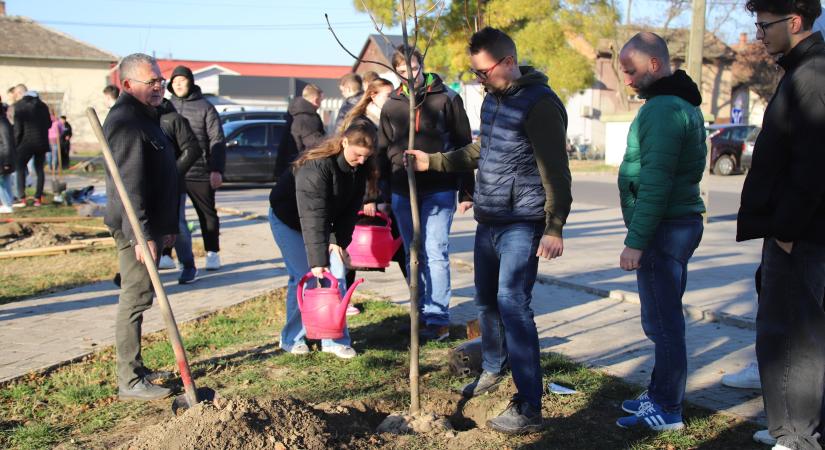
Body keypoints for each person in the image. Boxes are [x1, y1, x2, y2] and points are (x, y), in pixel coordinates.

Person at [406, 27, 571, 434]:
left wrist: (554, 226)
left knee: (514, 305)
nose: (480, 80)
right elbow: (484, 150)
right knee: (486, 303)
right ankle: (493, 369)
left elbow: (556, 170)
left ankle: (530, 404)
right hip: (490, 218)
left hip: (524, 221)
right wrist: (436, 162)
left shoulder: (541, 105)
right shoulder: (494, 101)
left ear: (509, 62)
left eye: (484, 72)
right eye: (476, 73)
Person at [738, 1, 825, 448]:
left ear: (794, 22)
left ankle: (795, 437)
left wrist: (786, 230)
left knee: (790, 339)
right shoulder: (802, 70)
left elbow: (811, 167)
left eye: (763, 24)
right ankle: (794, 429)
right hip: (795, 232)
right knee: (790, 334)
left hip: (800, 236)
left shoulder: (812, 76)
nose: (758, 34)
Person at [612, 32, 706, 431]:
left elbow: (656, 181)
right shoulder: (671, 103)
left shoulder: (665, 110)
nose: (628, 80)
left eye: (631, 71)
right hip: (670, 224)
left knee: (663, 322)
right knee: (660, 319)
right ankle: (659, 392)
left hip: (664, 228)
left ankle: (668, 408)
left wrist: (636, 241)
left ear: (654, 65)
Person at [378, 45, 474, 342]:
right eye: (403, 71)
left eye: (414, 69)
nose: (409, 75)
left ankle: (437, 317)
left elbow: (465, 146)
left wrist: (467, 191)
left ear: (423, 66)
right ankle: (418, 312)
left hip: (439, 187)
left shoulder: (447, 98)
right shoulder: (391, 105)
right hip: (401, 189)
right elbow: (381, 153)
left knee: (435, 250)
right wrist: (378, 195)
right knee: (412, 253)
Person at [267, 124, 378, 359]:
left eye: (365, 156)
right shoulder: (315, 167)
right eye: (357, 154)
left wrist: (339, 242)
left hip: (323, 223)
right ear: (344, 142)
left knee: (336, 278)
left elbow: (350, 210)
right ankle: (292, 338)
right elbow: (312, 215)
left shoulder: (360, 168)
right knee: (305, 277)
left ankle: (335, 340)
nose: (360, 160)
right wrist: (318, 261)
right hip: (289, 220)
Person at [104, 53, 179, 400]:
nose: (159, 86)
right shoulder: (126, 123)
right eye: (152, 82)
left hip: (151, 228)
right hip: (136, 229)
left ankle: (137, 369)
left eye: (160, 80)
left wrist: (164, 228)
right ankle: (130, 380)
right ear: (128, 84)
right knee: (135, 299)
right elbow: (129, 186)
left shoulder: (147, 118)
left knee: (143, 296)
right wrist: (142, 234)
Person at [339, 78, 404, 316]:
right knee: (349, 246)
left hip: (386, 190)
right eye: (388, 95)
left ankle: (419, 303)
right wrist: (370, 197)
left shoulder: (386, 120)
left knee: (401, 248)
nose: (392, 99)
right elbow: (366, 164)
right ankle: (342, 299)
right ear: (373, 96)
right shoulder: (363, 122)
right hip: (366, 193)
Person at [168, 65, 226, 271]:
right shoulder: (167, 106)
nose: (178, 85)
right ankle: (167, 255)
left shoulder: (205, 107)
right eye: (175, 82)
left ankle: (213, 253)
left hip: (199, 170)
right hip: (173, 171)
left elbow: (216, 139)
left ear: (191, 82)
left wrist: (216, 169)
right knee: (171, 214)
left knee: (207, 214)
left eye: (182, 80)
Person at [157, 98, 203, 284]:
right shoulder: (141, 118)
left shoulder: (173, 120)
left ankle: (188, 265)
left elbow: (192, 149)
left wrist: (173, 173)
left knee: (177, 224)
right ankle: (141, 270)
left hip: (172, 184)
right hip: (148, 184)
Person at [11, 84, 50, 207]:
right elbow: (49, 124)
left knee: (20, 168)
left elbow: (18, 129)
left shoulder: (19, 106)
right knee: (39, 170)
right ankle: (38, 198)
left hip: (25, 143)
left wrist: (15, 144)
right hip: (41, 143)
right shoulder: (43, 106)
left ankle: (22, 198)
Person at [0, 99, 15, 214]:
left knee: (3, 181)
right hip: (4, 157)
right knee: (5, 181)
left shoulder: (2, 123)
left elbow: (7, 143)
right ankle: (8, 203)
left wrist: (7, 162)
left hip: (3, 157)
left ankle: (7, 204)